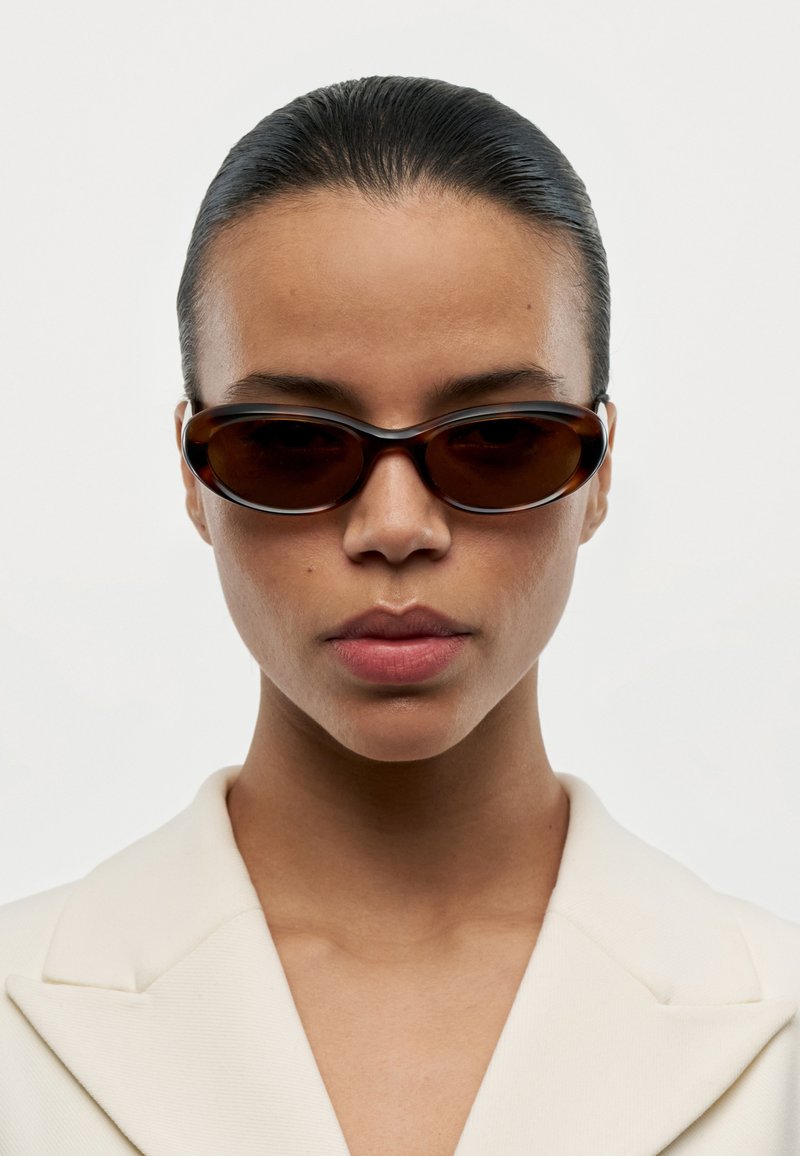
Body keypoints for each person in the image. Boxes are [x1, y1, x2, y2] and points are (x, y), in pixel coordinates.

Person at [1, 75, 798, 1156]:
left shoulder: (777, 1029)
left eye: (496, 438)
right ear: (192, 473)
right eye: (289, 444)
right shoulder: (17, 1021)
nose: (393, 525)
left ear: (598, 467)